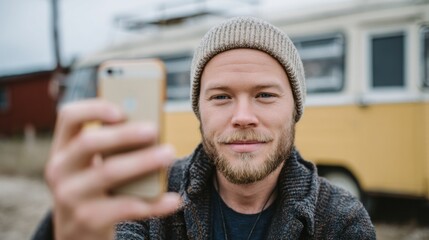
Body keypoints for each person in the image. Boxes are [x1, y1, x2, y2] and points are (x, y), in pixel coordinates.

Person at [33, 16, 375, 240]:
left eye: (265, 95)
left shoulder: (340, 219)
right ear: (199, 111)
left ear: (295, 109)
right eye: (222, 96)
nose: (243, 116)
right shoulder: (149, 202)